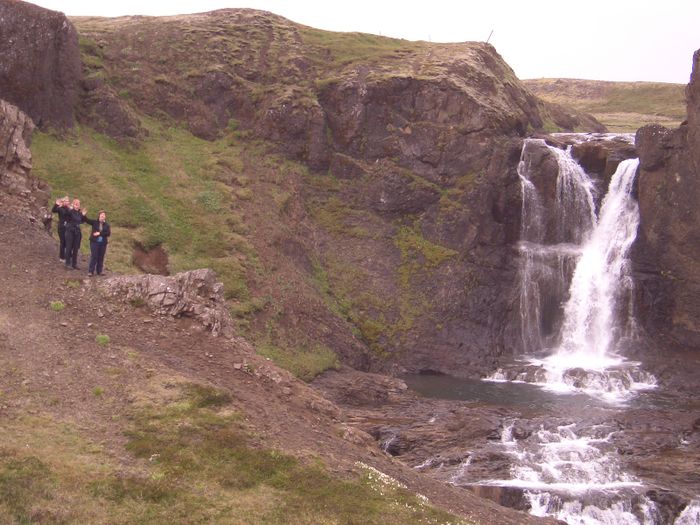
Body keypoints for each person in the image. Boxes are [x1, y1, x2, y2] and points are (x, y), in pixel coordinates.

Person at [83, 210, 111, 276]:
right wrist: (83, 215)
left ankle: (99, 271)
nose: (102, 216)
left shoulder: (107, 225)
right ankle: (90, 271)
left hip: (103, 243)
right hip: (94, 242)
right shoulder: (95, 222)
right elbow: (87, 220)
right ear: (99, 216)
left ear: (105, 217)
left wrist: (100, 233)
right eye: (101, 215)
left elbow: (108, 233)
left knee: (101, 257)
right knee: (94, 256)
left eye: (104, 215)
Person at [63, 198, 87, 270]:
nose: (77, 206)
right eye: (76, 204)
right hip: (70, 231)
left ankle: (74, 264)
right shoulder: (70, 211)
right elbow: (66, 215)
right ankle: (67, 263)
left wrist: (83, 215)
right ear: (73, 205)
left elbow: (82, 221)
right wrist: (69, 209)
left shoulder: (79, 213)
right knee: (69, 247)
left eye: (78, 204)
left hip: (77, 232)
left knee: (76, 248)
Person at [51, 196, 70, 261]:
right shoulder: (60, 208)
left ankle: (66, 255)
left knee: (67, 241)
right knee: (63, 241)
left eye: (68, 201)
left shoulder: (69, 209)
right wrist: (56, 204)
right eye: (66, 201)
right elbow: (53, 210)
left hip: (67, 227)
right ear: (63, 202)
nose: (67, 202)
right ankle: (61, 257)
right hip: (61, 227)